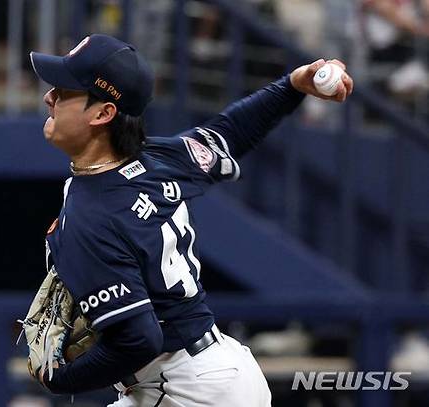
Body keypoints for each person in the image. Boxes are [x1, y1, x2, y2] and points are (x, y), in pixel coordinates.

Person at [28, 34, 353, 406]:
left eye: (65, 91)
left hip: (185, 389)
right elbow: (227, 135)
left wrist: (61, 379)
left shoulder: (92, 216)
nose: (48, 97)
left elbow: (138, 339)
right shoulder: (158, 158)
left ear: (103, 113)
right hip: (217, 371)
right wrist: (293, 84)